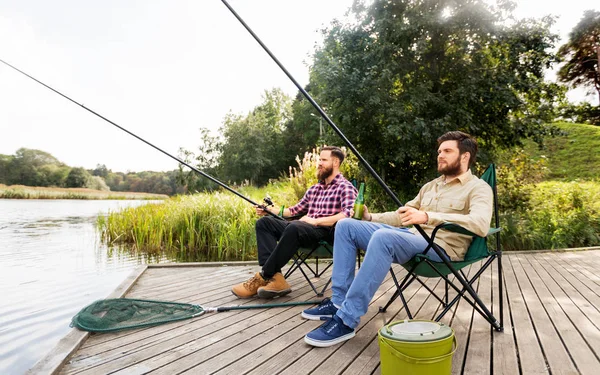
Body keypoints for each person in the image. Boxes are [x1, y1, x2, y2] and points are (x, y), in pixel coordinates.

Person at [301, 131, 494, 347]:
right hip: (410, 237)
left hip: (441, 247)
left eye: (447, 151)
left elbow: (480, 223)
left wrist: (429, 216)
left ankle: (346, 320)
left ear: (465, 156)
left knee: (384, 238)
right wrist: (370, 217)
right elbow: (403, 216)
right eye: (439, 151)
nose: (440, 155)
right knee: (347, 225)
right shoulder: (430, 187)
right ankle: (338, 303)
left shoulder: (478, 188)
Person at [231, 146, 358, 299]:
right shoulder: (314, 189)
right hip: (303, 228)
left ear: (336, 162)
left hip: (326, 232)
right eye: (319, 160)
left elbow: (348, 215)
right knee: (265, 223)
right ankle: (276, 279)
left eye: (324, 160)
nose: (319, 163)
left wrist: (316, 221)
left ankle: (263, 276)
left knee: (295, 226)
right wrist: (269, 210)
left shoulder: (345, 187)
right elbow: (292, 211)